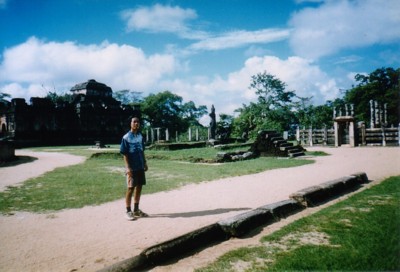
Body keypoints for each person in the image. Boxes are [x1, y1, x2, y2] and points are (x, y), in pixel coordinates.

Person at [120, 116, 148, 220]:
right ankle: (128, 210)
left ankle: (136, 210)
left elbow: (142, 151)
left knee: (139, 186)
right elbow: (125, 154)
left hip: (140, 165)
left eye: (138, 122)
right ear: (131, 124)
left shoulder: (140, 136)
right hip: (132, 167)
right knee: (130, 188)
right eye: (134, 122)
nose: (136, 123)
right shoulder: (126, 137)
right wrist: (128, 168)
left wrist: (145, 162)